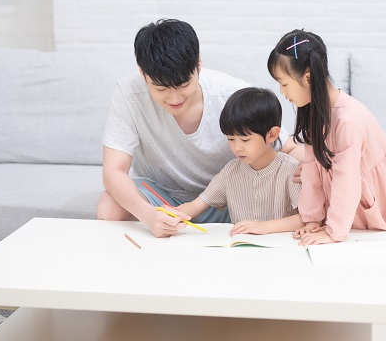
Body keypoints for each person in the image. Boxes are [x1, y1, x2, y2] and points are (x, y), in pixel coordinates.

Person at [267, 29, 386, 341]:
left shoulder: (348, 119)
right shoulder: (313, 111)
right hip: (367, 200)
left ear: (307, 77)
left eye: (284, 83)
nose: (282, 92)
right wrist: (312, 219)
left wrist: (333, 231)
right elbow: (312, 168)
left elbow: (347, 180)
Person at [97, 19, 302, 237]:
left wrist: (313, 171)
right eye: (162, 88)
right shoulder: (128, 95)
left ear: (199, 64)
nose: (174, 98)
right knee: (108, 209)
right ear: (142, 72)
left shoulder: (231, 95)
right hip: (161, 197)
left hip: (225, 198)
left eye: (183, 84)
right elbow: (113, 171)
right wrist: (148, 215)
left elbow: (288, 148)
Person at [177, 87, 304, 235]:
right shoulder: (230, 171)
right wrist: (175, 214)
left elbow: (307, 218)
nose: (237, 147)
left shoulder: (290, 169)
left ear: (272, 134)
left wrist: (264, 227)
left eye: (245, 140)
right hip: (240, 247)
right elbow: (196, 205)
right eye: (231, 139)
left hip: (283, 246)